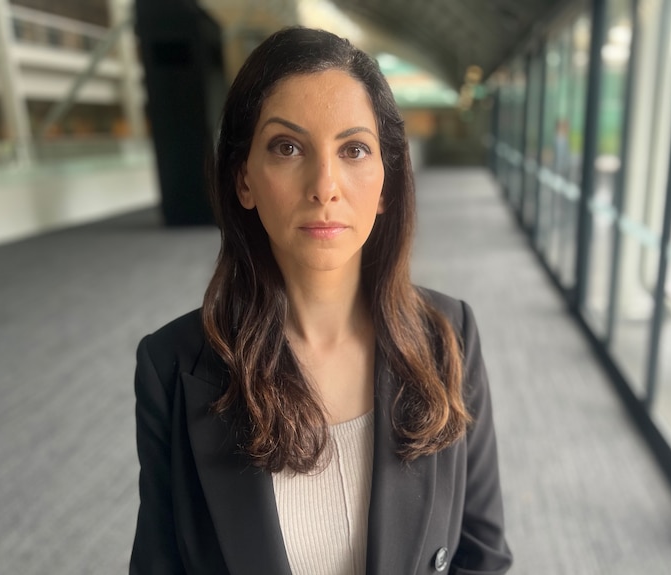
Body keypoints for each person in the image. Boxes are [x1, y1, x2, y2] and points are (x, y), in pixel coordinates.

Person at [130, 26, 512, 575]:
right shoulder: (172, 364)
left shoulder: (448, 334)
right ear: (244, 179)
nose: (325, 185)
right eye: (288, 148)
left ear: (385, 183)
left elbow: (483, 557)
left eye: (354, 149)